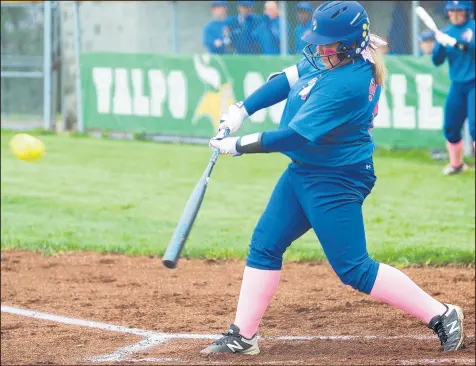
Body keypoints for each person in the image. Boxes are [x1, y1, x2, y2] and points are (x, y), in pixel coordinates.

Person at [201, 1, 465, 356]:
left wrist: (237, 144)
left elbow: (294, 136)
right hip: (305, 170)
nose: (322, 49)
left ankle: (443, 315)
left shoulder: (348, 82)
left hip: (335, 178)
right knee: (265, 244)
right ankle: (243, 335)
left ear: (352, 43)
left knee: (354, 268)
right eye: (320, 41)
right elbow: (288, 78)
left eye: (331, 43)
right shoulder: (331, 57)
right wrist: (241, 110)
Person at [432, 0, 475, 175]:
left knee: (475, 127)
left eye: (459, 10)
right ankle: (457, 165)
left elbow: (469, 47)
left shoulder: (473, 27)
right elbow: (437, 61)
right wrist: (441, 43)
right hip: (457, 85)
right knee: (450, 126)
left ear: (467, 11)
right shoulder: (445, 33)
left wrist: (454, 42)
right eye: (452, 11)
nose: (455, 14)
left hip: (474, 83)